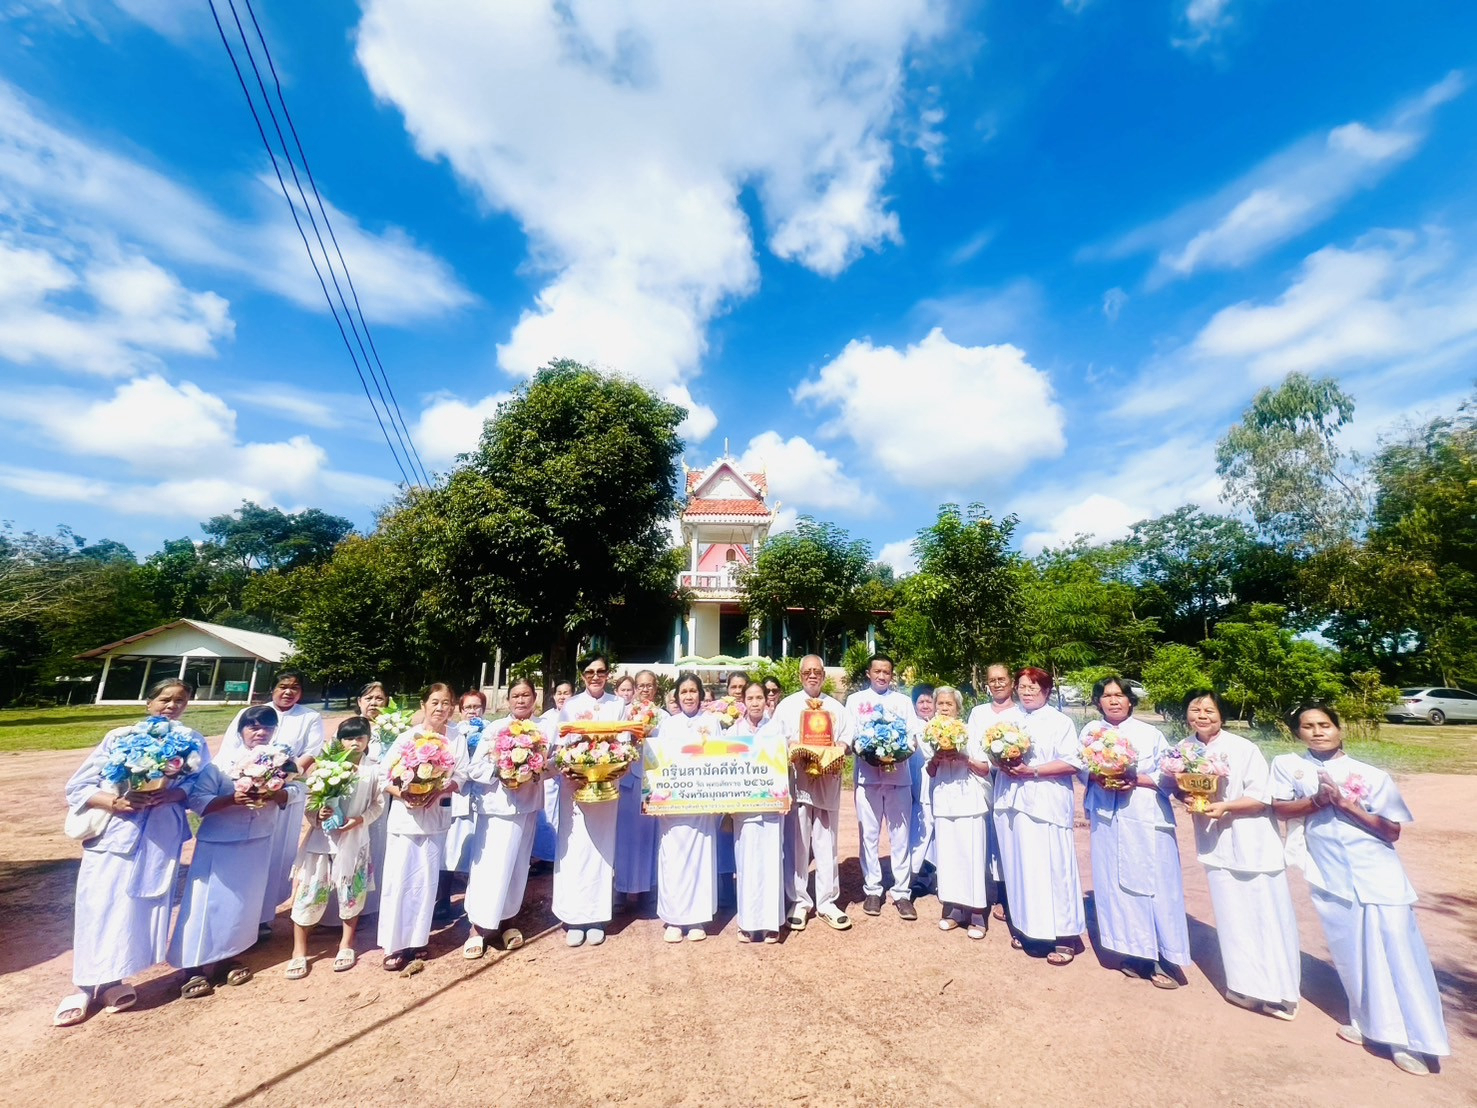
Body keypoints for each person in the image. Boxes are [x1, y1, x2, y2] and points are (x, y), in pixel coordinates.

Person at [1271, 705, 1449, 1074]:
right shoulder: (1290, 766)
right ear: (1297, 732)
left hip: (1378, 874)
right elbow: (1281, 809)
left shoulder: (1370, 774)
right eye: (1308, 726)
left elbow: (1391, 830)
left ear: (1339, 728)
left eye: (1324, 725)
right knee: (1352, 954)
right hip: (1329, 875)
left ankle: (1414, 1040)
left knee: (1399, 951)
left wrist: (1345, 804)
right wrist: (1316, 802)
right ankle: (1370, 1025)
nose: (1317, 732)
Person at [55, 679, 212, 1027]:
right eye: (165, 699)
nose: (171, 705)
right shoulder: (120, 736)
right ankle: (83, 985)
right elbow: (78, 786)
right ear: (149, 702)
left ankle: (114, 981)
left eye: (180, 700)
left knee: (138, 908)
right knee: (99, 906)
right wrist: (116, 801)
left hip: (160, 835)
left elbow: (198, 786)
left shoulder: (192, 741)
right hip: (115, 833)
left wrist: (172, 795)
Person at [1178, 689, 1300, 1019]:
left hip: (1252, 841)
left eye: (1209, 710)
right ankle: (1245, 987)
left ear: (1222, 714)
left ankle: (1281, 995)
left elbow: (1262, 797)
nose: (1202, 715)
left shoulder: (1243, 748)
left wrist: (1226, 806)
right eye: (1195, 709)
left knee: (1265, 915)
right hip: (1214, 842)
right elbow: (1181, 786)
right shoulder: (1184, 748)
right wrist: (1189, 798)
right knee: (1232, 916)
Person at [169, 704, 288, 998]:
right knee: (204, 905)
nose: (261, 732)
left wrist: (275, 791)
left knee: (242, 904)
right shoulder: (219, 765)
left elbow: (296, 791)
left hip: (258, 840)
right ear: (241, 731)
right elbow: (198, 802)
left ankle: (227, 958)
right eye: (254, 727)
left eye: (267, 727)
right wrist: (231, 799)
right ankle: (193, 967)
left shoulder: (281, 761)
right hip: (219, 844)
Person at [1080, 677, 1189, 988]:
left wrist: (1135, 779)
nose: (1113, 700)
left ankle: (1162, 956)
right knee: (1113, 882)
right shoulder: (1090, 732)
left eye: (1119, 695)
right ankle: (1131, 951)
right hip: (1105, 815)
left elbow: (1170, 773)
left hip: (1144, 814)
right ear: (1098, 701)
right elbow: (1081, 766)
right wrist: (1097, 775)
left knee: (1152, 883)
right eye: (1106, 695)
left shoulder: (1149, 733)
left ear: (1130, 700)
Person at [219, 672, 325, 940]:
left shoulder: (308, 716)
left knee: (277, 853)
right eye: (283, 686)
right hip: (245, 791)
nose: (288, 692)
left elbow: (311, 751)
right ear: (273, 689)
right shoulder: (252, 713)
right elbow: (230, 749)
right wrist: (245, 779)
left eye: (295, 688)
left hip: (283, 796)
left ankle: (264, 916)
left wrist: (283, 776)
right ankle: (236, 917)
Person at [993, 668, 1084, 965]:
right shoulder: (1010, 720)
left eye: (1033, 686)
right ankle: (1029, 928)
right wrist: (1001, 760)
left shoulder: (1061, 722)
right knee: (1021, 866)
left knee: (1053, 868)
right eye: (1022, 686)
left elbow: (1072, 762)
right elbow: (993, 753)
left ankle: (1064, 935)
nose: (1027, 691)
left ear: (1046, 690)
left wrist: (1031, 771)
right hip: (1013, 800)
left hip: (1046, 803)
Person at [377, 683, 469, 972]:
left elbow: (463, 775)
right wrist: (404, 793)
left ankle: (418, 940)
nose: (441, 708)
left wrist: (440, 790)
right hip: (405, 820)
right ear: (423, 705)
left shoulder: (457, 737)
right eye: (435, 702)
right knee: (399, 881)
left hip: (436, 818)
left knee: (426, 882)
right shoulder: (407, 737)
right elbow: (383, 776)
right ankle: (393, 945)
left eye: (446, 703)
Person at [463, 679, 556, 958]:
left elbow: (553, 765)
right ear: (507, 700)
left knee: (517, 867)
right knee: (490, 869)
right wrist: (500, 769)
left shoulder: (544, 730)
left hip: (527, 807)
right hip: (496, 809)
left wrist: (535, 770)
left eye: (526, 695)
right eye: (515, 696)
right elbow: (474, 769)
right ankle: (477, 929)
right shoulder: (495, 729)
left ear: (534, 698)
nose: (521, 700)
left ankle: (508, 922)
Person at [286, 716, 385, 978]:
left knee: (352, 891)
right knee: (310, 892)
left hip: (354, 839)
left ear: (367, 741)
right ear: (339, 740)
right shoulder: (324, 767)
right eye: (349, 737)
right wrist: (317, 817)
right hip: (321, 842)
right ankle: (299, 951)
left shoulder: (373, 770)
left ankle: (346, 944)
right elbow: (310, 805)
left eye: (360, 738)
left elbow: (378, 804)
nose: (355, 743)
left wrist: (358, 821)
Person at [772, 655, 854, 931]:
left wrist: (840, 747)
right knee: (797, 843)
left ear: (823, 675)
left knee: (826, 842)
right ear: (799, 676)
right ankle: (799, 901)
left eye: (817, 671)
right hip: (799, 782)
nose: (812, 675)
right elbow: (775, 739)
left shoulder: (836, 707)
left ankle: (828, 902)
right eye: (807, 671)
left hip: (828, 781)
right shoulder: (786, 706)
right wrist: (793, 746)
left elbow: (847, 736)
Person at [554, 656, 624, 947]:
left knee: (601, 849)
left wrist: (614, 766)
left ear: (608, 675)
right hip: (576, 786)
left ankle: (596, 917)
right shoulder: (571, 706)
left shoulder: (618, 705)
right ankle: (573, 916)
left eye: (601, 672)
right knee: (575, 850)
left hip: (607, 786)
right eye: (589, 673)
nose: (595, 677)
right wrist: (571, 769)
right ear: (582, 676)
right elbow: (560, 744)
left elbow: (625, 743)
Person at [649, 673, 722, 942]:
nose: (689, 696)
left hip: (702, 805)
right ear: (677, 697)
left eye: (693, 691)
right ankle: (673, 919)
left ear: (701, 695)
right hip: (673, 806)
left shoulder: (712, 723)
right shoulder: (668, 724)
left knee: (701, 859)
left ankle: (697, 919)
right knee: (672, 859)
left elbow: (721, 760)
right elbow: (657, 762)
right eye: (684, 692)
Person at [847, 654, 918, 919]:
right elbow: (851, 736)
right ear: (868, 673)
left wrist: (896, 756)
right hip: (868, 777)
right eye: (877, 671)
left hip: (899, 777)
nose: (881, 676)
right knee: (869, 835)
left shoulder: (902, 701)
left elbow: (913, 739)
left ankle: (901, 893)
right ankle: (873, 890)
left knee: (900, 837)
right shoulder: (855, 701)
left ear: (892, 675)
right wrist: (869, 755)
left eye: (886, 672)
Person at [923, 687, 992, 940]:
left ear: (958, 707)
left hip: (969, 802)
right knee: (949, 858)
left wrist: (963, 757)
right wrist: (937, 759)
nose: (943, 707)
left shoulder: (971, 732)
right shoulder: (929, 733)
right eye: (939, 703)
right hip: (944, 801)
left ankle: (976, 913)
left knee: (971, 857)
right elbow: (930, 772)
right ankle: (954, 910)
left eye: (948, 704)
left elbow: (985, 768)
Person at [729, 680, 784, 943]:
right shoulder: (733, 731)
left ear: (767, 700)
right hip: (744, 808)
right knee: (747, 864)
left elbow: (783, 766)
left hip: (771, 806)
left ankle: (772, 923)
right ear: (743, 701)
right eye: (749, 698)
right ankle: (747, 923)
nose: (754, 703)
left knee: (771, 862)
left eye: (759, 698)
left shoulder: (776, 729)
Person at [968, 664, 1021, 923]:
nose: (997, 684)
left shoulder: (1022, 712)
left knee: (1012, 838)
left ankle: (1015, 895)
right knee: (990, 838)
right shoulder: (978, 713)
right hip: (985, 779)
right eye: (992, 680)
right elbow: (974, 746)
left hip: (1016, 780)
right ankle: (996, 892)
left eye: (1002, 679)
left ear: (1011, 682)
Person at [437, 689, 489, 922]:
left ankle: (474, 902)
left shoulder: (490, 731)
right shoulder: (452, 733)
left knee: (477, 852)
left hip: (482, 795)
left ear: (484, 709)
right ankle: (443, 900)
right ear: (460, 710)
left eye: (477, 707)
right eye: (467, 707)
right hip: (457, 797)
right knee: (450, 850)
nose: (472, 711)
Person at [614, 670, 664, 907]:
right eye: (641, 685)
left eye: (649, 685)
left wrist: (653, 734)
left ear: (656, 688)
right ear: (634, 688)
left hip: (653, 782)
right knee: (624, 836)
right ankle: (620, 890)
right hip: (628, 779)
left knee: (648, 838)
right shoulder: (623, 714)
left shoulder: (664, 716)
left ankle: (647, 889)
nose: (645, 690)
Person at [356, 680, 392, 919]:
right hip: (354, 795)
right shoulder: (350, 728)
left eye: (379, 698)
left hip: (382, 796)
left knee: (378, 845)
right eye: (369, 698)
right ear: (359, 702)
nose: (374, 703)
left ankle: (371, 905)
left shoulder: (392, 730)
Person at [532, 680, 574, 869]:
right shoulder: (546, 719)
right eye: (559, 693)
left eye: (567, 692)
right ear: (554, 696)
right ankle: (545, 857)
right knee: (548, 812)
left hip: (571, 771)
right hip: (549, 770)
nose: (562, 696)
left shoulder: (577, 715)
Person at [908, 684, 938, 901]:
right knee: (920, 831)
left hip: (942, 786)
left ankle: (934, 878)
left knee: (939, 834)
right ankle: (911, 879)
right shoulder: (912, 726)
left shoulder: (944, 726)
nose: (926, 705)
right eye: (921, 702)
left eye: (930, 701)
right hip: (919, 785)